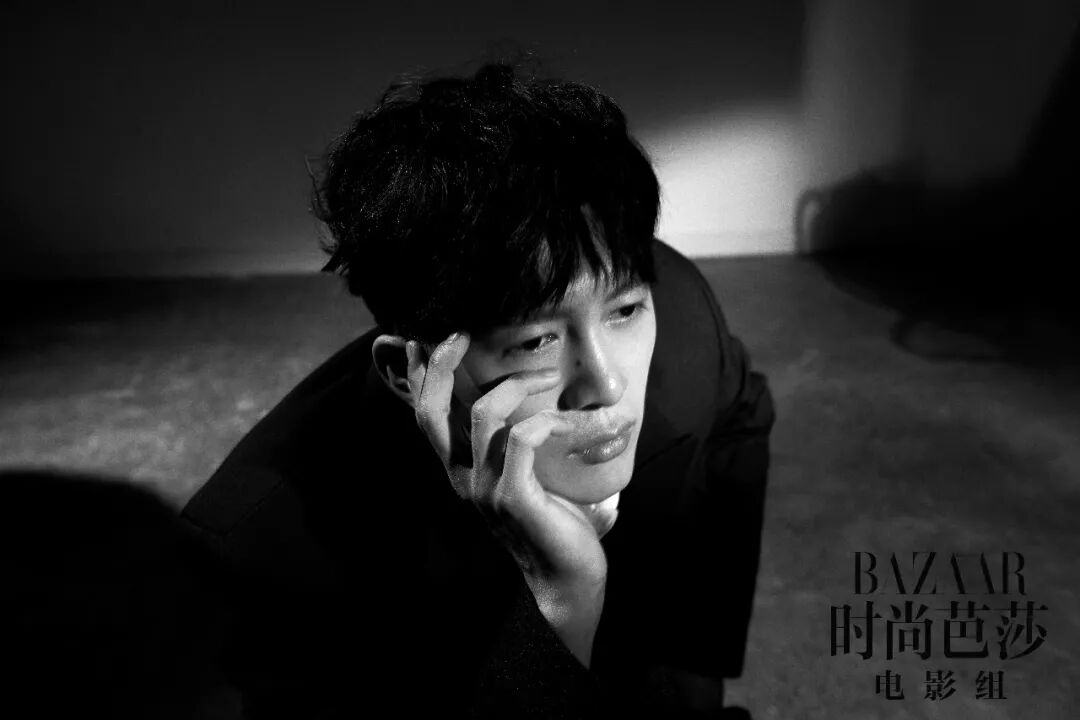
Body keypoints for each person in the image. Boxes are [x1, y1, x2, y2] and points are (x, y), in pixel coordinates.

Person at [181, 61, 775, 719]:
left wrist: (695, 671)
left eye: (626, 310)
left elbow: (742, 413)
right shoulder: (251, 564)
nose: (606, 385)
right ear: (408, 372)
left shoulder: (684, 319)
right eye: (535, 342)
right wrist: (561, 604)